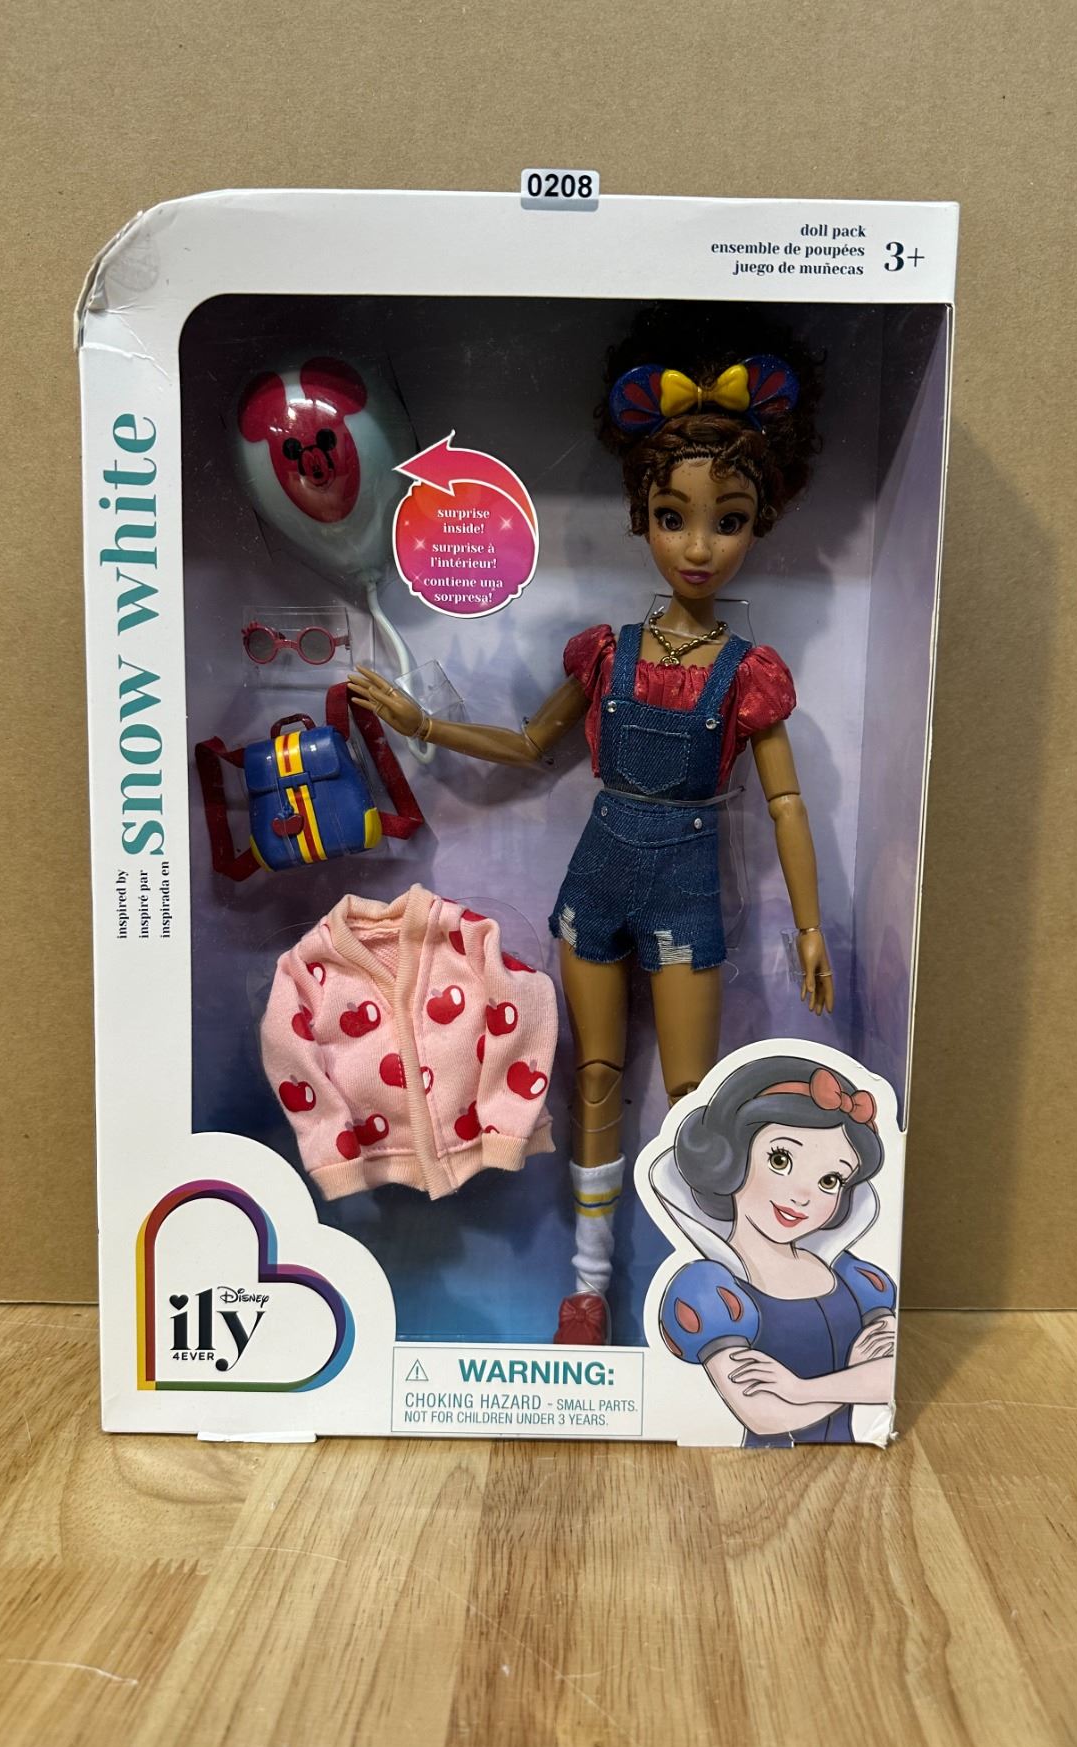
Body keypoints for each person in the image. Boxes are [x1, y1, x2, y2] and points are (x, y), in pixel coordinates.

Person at [348, 306, 834, 1345]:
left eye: (728, 520)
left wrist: (809, 926)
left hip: (687, 883)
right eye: (673, 515)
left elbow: (785, 801)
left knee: (696, 1097)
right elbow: (532, 743)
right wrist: (422, 721)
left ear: (760, 523)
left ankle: (715, 1286)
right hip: (597, 881)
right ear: (642, 514)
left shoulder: (749, 675)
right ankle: (586, 1283)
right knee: (597, 1076)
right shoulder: (606, 653)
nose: (697, 545)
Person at [650, 1052, 897, 1446]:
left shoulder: (854, 1277)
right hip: (757, 1468)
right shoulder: (707, 1290)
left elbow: (891, 1376)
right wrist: (853, 1381)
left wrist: (800, 1389)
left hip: (853, 1462)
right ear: (728, 1156)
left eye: (830, 1180)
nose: (803, 1195)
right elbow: (764, 1414)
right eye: (781, 1159)